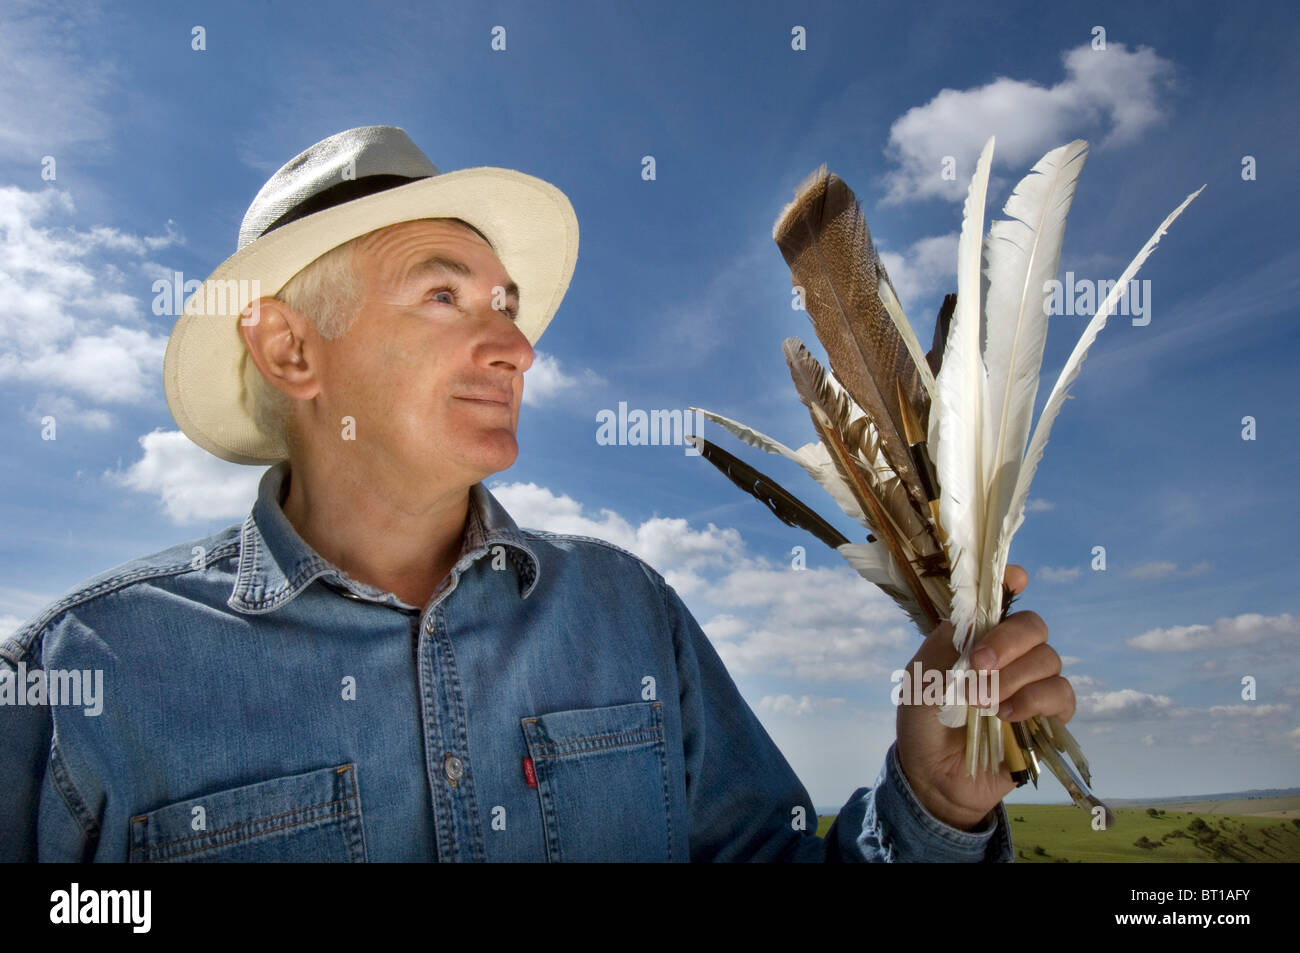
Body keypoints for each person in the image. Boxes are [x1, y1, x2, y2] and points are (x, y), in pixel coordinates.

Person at [0, 126, 1073, 862]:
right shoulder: (86, 679)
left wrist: (934, 798)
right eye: (442, 293)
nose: (514, 343)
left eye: (507, 304)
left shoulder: (626, 613)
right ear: (289, 347)